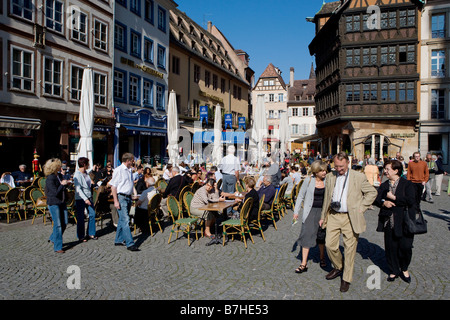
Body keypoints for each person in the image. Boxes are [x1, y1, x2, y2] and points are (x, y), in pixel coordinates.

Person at [320, 152, 377, 292]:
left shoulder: (358, 177)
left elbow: (372, 192)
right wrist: (323, 216)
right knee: (330, 245)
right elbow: (326, 199)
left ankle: (346, 278)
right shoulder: (330, 176)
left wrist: (362, 208)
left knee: (350, 249)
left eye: (341, 166)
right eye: (336, 166)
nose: (338, 169)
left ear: (347, 163)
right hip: (333, 215)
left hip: (350, 217)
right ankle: (339, 266)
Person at [373, 160, 417, 283]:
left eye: (387, 169)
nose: (385, 171)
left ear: (396, 170)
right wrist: (384, 202)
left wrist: (394, 198)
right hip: (389, 222)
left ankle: (404, 268)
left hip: (405, 222)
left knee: (405, 247)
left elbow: (411, 201)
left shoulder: (407, 184)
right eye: (385, 169)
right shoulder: (385, 185)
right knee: (391, 247)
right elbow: (376, 198)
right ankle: (393, 270)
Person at [293, 160, 328, 273]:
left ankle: (322, 258)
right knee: (306, 235)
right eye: (321, 170)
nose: (324, 172)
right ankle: (304, 263)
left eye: (325, 170)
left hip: (323, 212)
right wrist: (296, 211)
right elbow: (300, 196)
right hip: (310, 211)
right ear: (316, 171)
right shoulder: (308, 181)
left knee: (321, 236)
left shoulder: (327, 182)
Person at [109, 152, 140, 252]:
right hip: (121, 197)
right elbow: (113, 186)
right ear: (128, 161)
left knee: (123, 220)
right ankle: (130, 243)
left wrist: (133, 194)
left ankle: (118, 239)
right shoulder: (119, 170)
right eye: (132, 160)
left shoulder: (129, 170)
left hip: (128, 197)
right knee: (126, 220)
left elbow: (130, 183)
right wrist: (115, 201)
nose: (133, 162)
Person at [44, 158, 69, 253]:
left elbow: (61, 188)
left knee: (65, 222)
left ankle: (53, 238)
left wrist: (65, 183)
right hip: (54, 202)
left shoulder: (58, 175)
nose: (61, 167)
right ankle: (58, 247)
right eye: (59, 165)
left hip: (61, 201)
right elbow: (54, 192)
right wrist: (62, 185)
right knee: (58, 224)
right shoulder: (50, 178)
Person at [73, 157, 97, 242]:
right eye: (88, 164)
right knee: (81, 217)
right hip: (81, 198)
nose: (89, 165)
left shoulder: (86, 173)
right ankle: (81, 235)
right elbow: (78, 189)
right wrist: (85, 199)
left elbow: (88, 184)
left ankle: (91, 233)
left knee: (92, 214)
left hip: (89, 196)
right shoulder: (77, 175)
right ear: (84, 164)